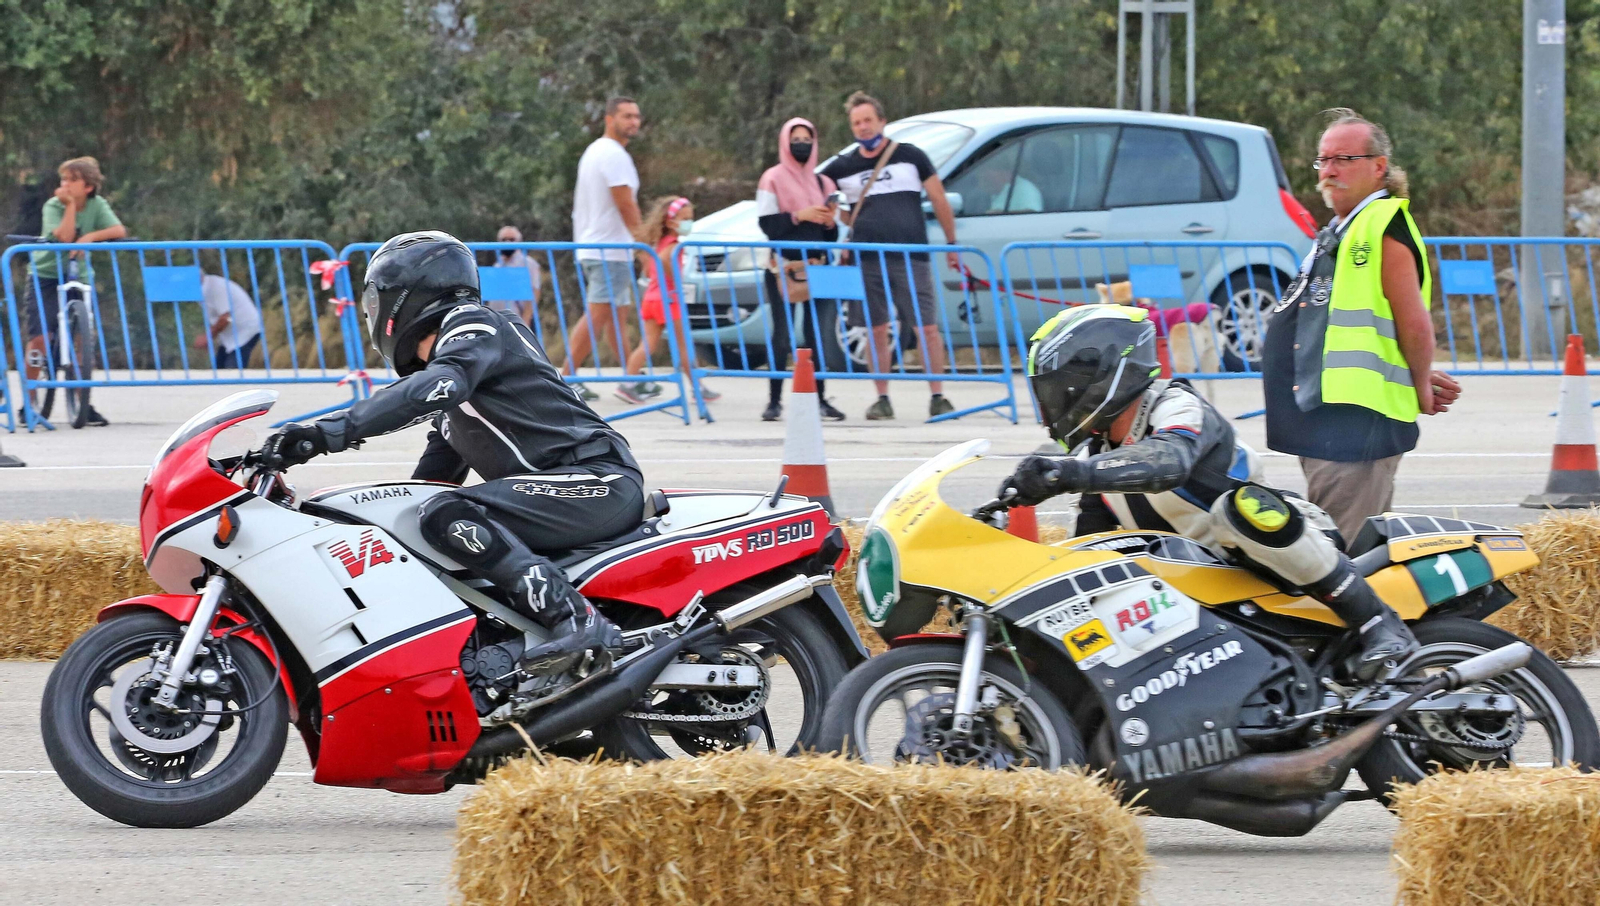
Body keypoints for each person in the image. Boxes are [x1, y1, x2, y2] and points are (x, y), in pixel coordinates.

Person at [262, 231, 639, 677]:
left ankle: (577, 621)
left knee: (444, 511)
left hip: (596, 480)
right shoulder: (454, 397)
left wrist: (323, 434)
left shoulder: (475, 325)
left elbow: (437, 385)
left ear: (400, 298)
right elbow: (427, 484)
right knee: (423, 518)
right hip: (568, 491)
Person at [999, 305, 1418, 681]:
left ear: (1102, 375)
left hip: (1285, 544)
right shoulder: (1101, 455)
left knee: (1240, 510)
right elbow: (1089, 548)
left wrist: (1070, 473)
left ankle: (1377, 621)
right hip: (1207, 586)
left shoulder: (1175, 404)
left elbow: (1170, 460)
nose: (1052, 404)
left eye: (1060, 388)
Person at [1263, 108, 1461, 541]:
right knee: (1353, 556)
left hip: (1354, 428)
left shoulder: (1381, 224)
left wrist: (1420, 383)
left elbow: (1413, 321)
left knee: (1342, 561)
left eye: (1343, 160)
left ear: (1378, 167)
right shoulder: (1341, 229)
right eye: (1324, 160)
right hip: (1328, 423)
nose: (1329, 171)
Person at [821, 91, 960, 421]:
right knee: (876, 329)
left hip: (911, 255)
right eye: (856, 123)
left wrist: (952, 243)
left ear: (882, 121)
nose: (863, 127)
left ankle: (937, 395)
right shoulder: (842, 166)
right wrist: (843, 219)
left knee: (926, 327)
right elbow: (824, 200)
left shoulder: (911, 156)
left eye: (868, 120)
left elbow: (939, 198)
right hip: (867, 259)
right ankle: (882, 398)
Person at [756, 117, 848, 422]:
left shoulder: (823, 182)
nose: (801, 144)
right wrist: (799, 215)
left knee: (816, 335)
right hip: (783, 267)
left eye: (807, 138)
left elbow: (830, 237)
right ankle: (773, 401)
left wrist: (828, 222)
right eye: (795, 138)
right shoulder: (772, 178)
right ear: (784, 141)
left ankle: (819, 399)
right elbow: (768, 225)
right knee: (782, 335)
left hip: (817, 267)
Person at [25, 157, 125, 427]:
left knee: (82, 341)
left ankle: (83, 402)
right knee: (41, 338)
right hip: (45, 276)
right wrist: (69, 205)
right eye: (63, 180)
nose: (65, 185)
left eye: (71, 180)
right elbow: (65, 237)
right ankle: (29, 400)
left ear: (88, 187)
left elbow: (118, 229)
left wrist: (90, 237)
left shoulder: (97, 205)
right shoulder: (54, 204)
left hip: (77, 276)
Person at [563, 96, 644, 402]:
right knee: (598, 314)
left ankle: (630, 377)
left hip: (598, 247)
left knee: (615, 316)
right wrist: (643, 246)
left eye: (636, 116)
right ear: (609, 119)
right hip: (608, 249)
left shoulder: (597, 151)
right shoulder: (613, 154)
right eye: (626, 116)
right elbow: (625, 203)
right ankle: (566, 376)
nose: (633, 122)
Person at [617, 196, 720, 404]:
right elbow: (665, 261)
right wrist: (673, 276)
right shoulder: (673, 246)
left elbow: (649, 268)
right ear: (671, 222)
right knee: (684, 347)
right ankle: (697, 388)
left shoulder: (657, 244)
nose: (688, 223)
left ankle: (627, 384)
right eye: (685, 218)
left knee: (647, 345)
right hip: (669, 300)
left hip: (652, 299)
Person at [193, 272, 263, 369]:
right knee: (219, 372)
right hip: (231, 335)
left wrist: (208, 336)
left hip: (246, 331)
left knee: (232, 372)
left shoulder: (216, 287)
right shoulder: (203, 289)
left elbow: (226, 318)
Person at [489, 225, 541, 327]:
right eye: (504, 240)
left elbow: (535, 291)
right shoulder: (497, 266)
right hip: (498, 321)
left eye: (512, 239)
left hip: (519, 319)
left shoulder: (528, 263)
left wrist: (526, 320)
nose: (507, 243)